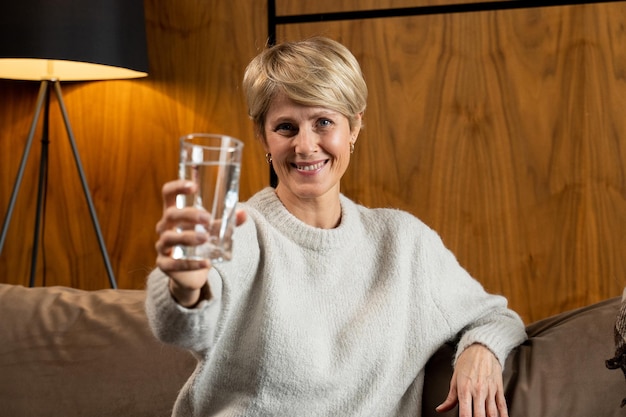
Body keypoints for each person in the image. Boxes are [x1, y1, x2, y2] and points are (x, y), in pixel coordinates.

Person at [146, 36, 527, 417]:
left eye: (323, 122)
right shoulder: (239, 230)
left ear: (355, 127)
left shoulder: (404, 243)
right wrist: (183, 287)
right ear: (262, 136)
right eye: (285, 127)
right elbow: (182, 329)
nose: (305, 146)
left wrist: (481, 350)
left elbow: (496, 317)